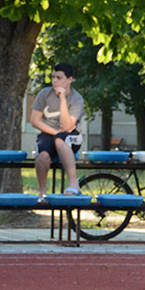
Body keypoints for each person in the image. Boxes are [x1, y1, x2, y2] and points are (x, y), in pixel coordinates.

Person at [29, 63, 84, 198]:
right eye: (53, 77)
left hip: (71, 135)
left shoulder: (77, 99)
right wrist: (55, 133)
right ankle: (42, 193)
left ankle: (73, 184)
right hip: (49, 132)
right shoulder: (44, 93)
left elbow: (66, 127)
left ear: (69, 79)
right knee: (43, 156)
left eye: (59, 78)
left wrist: (62, 99)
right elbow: (34, 121)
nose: (54, 81)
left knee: (60, 140)